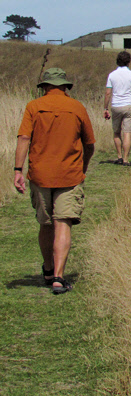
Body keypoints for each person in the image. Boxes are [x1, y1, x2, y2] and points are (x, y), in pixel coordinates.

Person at [14, 68, 95, 294]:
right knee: (63, 222)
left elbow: (24, 138)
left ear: (45, 87)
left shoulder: (33, 106)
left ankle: (48, 270)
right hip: (69, 174)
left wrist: (17, 169)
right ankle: (59, 277)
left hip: (40, 174)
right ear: (65, 87)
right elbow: (89, 144)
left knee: (45, 222)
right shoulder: (77, 107)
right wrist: (83, 167)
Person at [103, 51, 131, 165]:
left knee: (116, 132)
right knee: (127, 133)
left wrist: (105, 108)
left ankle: (119, 156)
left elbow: (108, 93)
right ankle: (126, 159)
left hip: (116, 105)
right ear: (128, 61)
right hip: (128, 104)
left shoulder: (112, 75)